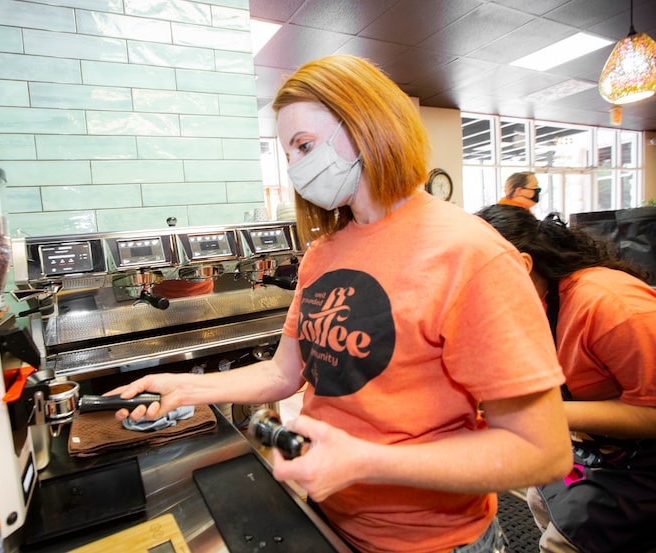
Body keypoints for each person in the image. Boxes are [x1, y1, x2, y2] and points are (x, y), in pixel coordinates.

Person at [111, 55, 572, 553]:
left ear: (367, 127)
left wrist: (368, 461)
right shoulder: (324, 252)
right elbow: (283, 374)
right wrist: (188, 388)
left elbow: (540, 451)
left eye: (304, 146)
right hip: (327, 516)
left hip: (431, 541)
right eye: (288, 154)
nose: (296, 168)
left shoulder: (470, 254)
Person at [476, 204, 656, 553]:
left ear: (522, 266)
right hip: (600, 445)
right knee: (540, 496)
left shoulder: (611, 307)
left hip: (643, 461)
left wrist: (539, 410)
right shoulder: (536, 299)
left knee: (564, 541)